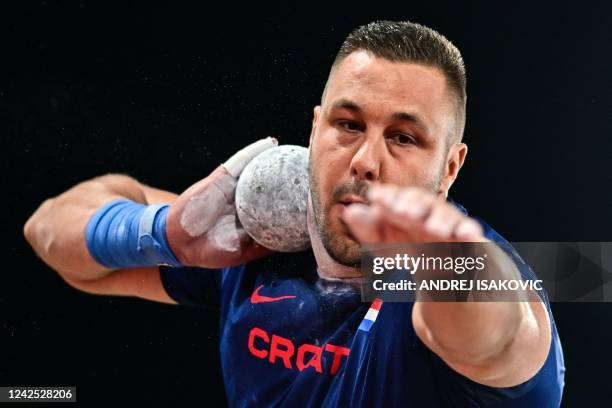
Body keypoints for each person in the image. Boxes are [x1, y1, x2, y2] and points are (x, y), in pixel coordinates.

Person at [24, 21, 565, 407]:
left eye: (403, 138)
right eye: (348, 124)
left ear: (449, 169)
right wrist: (165, 234)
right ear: (313, 130)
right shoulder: (262, 243)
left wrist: (449, 254)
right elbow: (50, 234)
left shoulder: (462, 278)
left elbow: (492, 333)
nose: (365, 161)